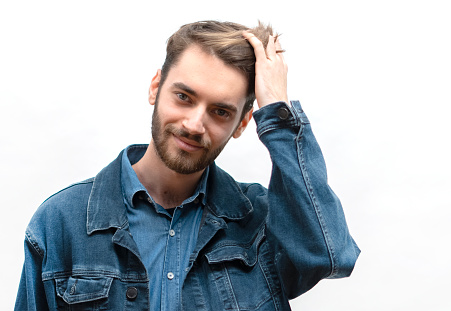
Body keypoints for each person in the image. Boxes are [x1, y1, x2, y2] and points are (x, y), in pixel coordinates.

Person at [15, 20, 360, 310]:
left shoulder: (260, 225)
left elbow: (330, 257)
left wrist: (278, 112)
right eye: (184, 97)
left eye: (220, 111)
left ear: (241, 124)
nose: (195, 124)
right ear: (155, 87)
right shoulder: (61, 223)